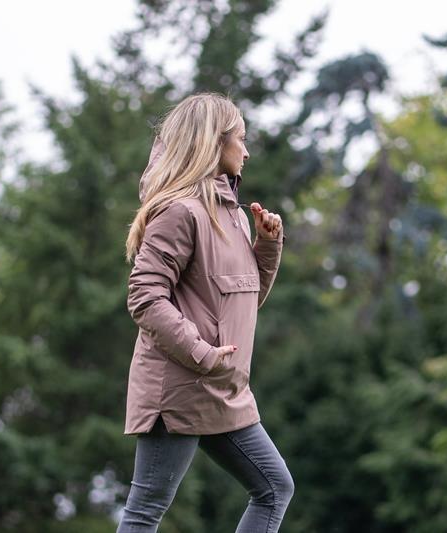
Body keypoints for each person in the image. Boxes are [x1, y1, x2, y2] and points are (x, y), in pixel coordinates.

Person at [117, 92, 294, 533]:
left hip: (222, 388)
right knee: (145, 511)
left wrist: (267, 245)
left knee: (275, 488)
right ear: (215, 141)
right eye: (241, 139)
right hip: (180, 387)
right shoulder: (180, 212)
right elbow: (144, 296)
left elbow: (243, 304)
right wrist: (201, 352)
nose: (246, 152)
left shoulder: (230, 213)